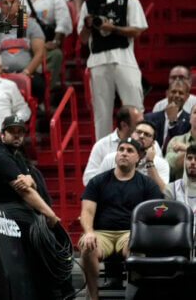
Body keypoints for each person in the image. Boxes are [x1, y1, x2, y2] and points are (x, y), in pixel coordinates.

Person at [0, 115, 62, 297]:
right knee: (40, 234)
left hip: (16, 210)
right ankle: (50, 292)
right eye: (12, 132)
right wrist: (51, 215)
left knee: (48, 238)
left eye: (20, 132)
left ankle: (54, 290)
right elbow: (26, 192)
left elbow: (30, 183)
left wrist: (31, 179)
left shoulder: (18, 157)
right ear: (2, 135)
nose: (17, 136)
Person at [78, 137, 162, 300]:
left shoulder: (147, 184)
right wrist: (88, 232)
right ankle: (93, 296)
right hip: (102, 234)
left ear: (139, 157)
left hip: (130, 233)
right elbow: (86, 212)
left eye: (130, 150)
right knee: (87, 246)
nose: (124, 153)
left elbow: (153, 216)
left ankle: (133, 296)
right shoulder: (97, 181)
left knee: (137, 246)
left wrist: (138, 236)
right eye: (121, 149)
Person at [78, 0, 146, 139]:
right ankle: (104, 156)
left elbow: (137, 30)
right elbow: (83, 38)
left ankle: (142, 146)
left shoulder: (129, 0)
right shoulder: (89, 3)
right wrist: (87, 24)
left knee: (135, 107)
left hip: (123, 57)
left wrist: (113, 27)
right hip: (98, 60)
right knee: (101, 112)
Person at [0, 0, 46, 99]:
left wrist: (25, 73)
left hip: (28, 73)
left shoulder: (32, 25)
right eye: (5, 3)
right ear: (1, 8)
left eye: (13, 2)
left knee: (36, 85)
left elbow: (39, 54)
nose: (9, 5)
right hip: (2, 74)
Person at [23, 0, 72, 91]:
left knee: (56, 55)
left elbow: (63, 24)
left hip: (45, 44)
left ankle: (43, 94)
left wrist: (55, 41)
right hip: (22, 44)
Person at [97, 120, 170, 189]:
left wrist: (150, 163)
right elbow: (97, 186)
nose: (141, 136)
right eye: (138, 132)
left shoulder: (161, 163)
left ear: (153, 143)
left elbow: (163, 192)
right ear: (131, 135)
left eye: (147, 135)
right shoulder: (111, 158)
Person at [83, 105, 143, 185]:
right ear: (124, 125)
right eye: (139, 123)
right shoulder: (102, 145)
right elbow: (87, 179)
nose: (142, 127)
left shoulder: (150, 143)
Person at [144, 79, 191, 150]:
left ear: (187, 97)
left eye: (181, 93)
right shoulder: (149, 118)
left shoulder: (190, 121)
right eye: (173, 92)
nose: (176, 95)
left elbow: (178, 144)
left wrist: (173, 122)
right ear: (167, 93)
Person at [162, 144, 196, 218]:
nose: (193, 162)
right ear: (184, 161)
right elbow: (161, 215)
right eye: (189, 158)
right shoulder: (171, 189)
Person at [165, 105, 196, 181]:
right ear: (190, 118)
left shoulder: (181, 145)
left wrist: (186, 149)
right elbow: (169, 167)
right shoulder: (176, 140)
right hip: (182, 189)